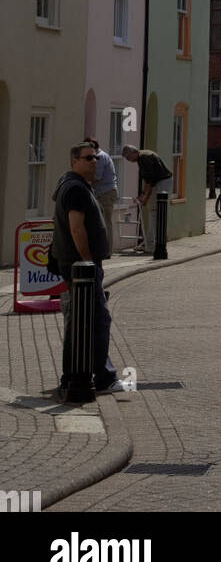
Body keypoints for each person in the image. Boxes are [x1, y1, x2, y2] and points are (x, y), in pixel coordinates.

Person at [49, 142, 121, 396]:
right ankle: (101, 377)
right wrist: (88, 263)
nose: (94, 162)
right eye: (88, 158)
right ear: (74, 161)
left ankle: (73, 377)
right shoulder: (76, 189)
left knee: (80, 321)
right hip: (80, 267)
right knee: (98, 320)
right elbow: (76, 228)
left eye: (96, 158)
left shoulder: (76, 186)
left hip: (76, 266)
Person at [122, 146, 173, 252]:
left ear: (133, 153)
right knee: (153, 212)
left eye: (127, 158)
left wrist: (145, 196)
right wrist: (143, 195)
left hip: (161, 182)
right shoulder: (143, 155)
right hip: (162, 181)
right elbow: (148, 180)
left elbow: (150, 180)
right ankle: (149, 242)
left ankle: (151, 245)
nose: (128, 160)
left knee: (154, 213)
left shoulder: (144, 158)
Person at [88, 137, 119, 257]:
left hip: (106, 193)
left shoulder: (100, 157)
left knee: (106, 221)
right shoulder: (100, 156)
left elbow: (97, 177)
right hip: (102, 192)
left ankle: (107, 251)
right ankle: (102, 250)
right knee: (101, 222)